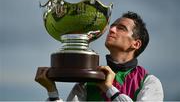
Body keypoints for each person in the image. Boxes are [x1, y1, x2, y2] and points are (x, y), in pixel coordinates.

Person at [35, 11, 164, 101]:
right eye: (112, 26)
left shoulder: (149, 82)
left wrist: (108, 88)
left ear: (136, 44)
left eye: (121, 28)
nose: (111, 30)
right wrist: (52, 92)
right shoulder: (88, 79)